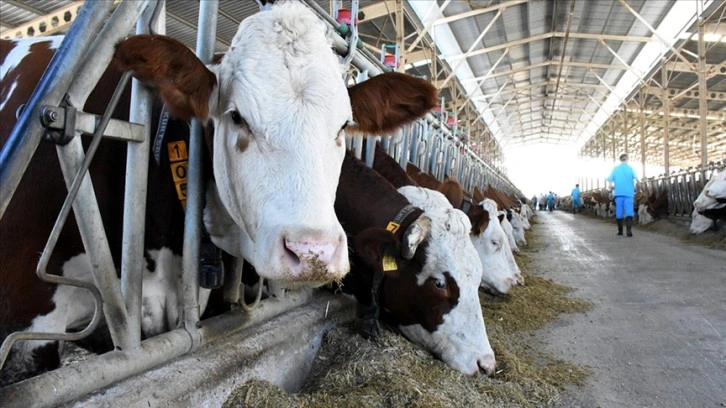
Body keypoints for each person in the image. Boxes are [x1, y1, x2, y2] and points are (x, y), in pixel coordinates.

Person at [607, 153, 638, 237]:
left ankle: (620, 231)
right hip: (629, 193)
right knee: (629, 212)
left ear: (620, 160)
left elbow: (609, 180)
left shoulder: (615, 169)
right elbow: (637, 179)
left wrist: (610, 187)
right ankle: (629, 231)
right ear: (627, 159)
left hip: (619, 193)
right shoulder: (630, 169)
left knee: (619, 211)